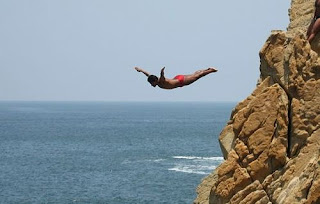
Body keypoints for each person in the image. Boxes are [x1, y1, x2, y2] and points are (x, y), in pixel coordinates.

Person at [134, 66, 217, 89]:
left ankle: (210, 70)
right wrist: (140, 70)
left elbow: (162, 76)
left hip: (181, 81)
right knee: (194, 74)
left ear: (155, 80)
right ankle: (207, 69)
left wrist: (162, 72)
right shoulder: (155, 79)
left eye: (152, 83)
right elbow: (147, 74)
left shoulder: (161, 81)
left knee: (197, 76)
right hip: (177, 78)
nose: (151, 85)